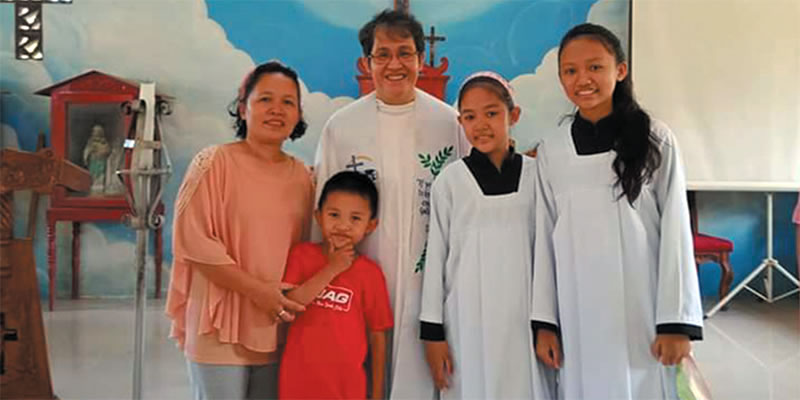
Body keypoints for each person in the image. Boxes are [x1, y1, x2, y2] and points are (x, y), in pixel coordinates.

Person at [531, 23, 703, 400]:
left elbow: (676, 230)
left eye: (595, 67)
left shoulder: (655, 139)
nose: (583, 80)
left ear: (620, 70)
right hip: (577, 312)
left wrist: (676, 323)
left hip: (640, 309)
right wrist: (545, 323)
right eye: (570, 71)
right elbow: (543, 238)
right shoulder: (553, 149)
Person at [313, 9, 469, 399]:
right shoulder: (342, 127)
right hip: (359, 275)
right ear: (367, 62)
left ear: (420, 58)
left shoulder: (449, 124)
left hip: (428, 281)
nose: (394, 64)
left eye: (405, 53)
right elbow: (322, 211)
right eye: (383, 54)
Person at [165, 61, 313, 400]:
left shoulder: (304, 178)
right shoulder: (214, 163)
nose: (276, 110)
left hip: (276, 323)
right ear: (243, 108)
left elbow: (307, 249)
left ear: (298, 115)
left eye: (288, 102)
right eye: (265, 100)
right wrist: (258, 291)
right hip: (219, 324)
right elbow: (194, 241)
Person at [419, 71, 553, 399]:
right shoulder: (450, 182)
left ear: (514, 115)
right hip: (466, 322)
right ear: (460, 121)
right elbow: (436, 259)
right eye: (470, 116)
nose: (481, 124)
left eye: (492, 113)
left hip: (525, 322)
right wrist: (433, 334)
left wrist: (548, 323)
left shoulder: (539, 177)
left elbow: (549, 255)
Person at [278, 171, 393, 400]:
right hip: (297, 384)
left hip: (348, 388)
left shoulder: (370, 273)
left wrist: (378, 392)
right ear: (319, 217)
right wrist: (332, 268)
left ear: (371, 225)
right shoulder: (302, 255)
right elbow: (291, 304)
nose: (343, 226)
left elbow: (378, 336)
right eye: (334, 215)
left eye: (355, 218)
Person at [82, 124, 111, 194]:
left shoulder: (104, 142)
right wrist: (86, 156)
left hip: (101, 161)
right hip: (93, 160)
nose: (96, 133)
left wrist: (102, 151)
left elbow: (108, 150)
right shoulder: (91, 142)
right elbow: (87, 151)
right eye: (95, 131)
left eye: (98, 131)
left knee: (101, 174)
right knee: (93, 174)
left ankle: (99, 185)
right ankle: (94, 184)